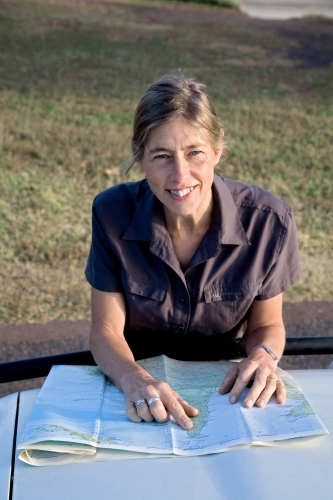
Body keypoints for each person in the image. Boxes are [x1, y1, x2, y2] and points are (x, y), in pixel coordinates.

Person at [85, 71, 301, 430]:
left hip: (224, 396)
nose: (180, 176)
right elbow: (105, 330)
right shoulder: (110, 213)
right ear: (140, 157)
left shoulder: (270, 221)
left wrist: (264, 357)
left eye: (194, 152)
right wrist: (133, 379)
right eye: (162, 156)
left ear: (218, 148)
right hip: (138, 393)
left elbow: (267, 325)